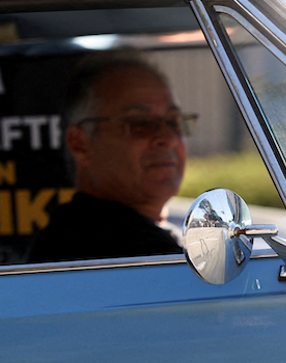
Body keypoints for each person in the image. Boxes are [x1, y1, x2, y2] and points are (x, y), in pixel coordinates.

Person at [27, 51, 196, 263]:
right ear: (80, 144)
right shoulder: (105, 249)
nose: (168, 138)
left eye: (174, 121)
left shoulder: (148, 239)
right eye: (140, 123)